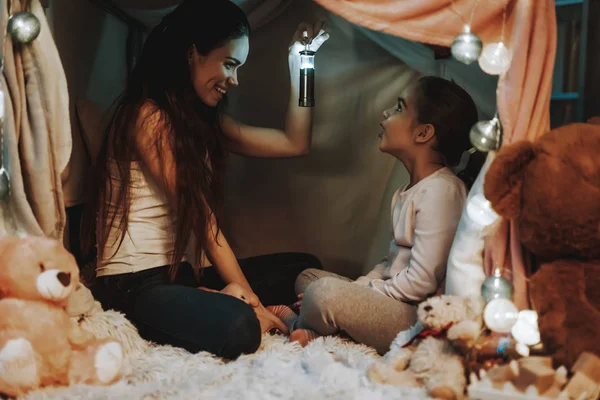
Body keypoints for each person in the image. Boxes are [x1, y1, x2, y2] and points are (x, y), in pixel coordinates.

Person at [82, 0, 329, 360]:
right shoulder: (147, 117)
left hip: (182, 274)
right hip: (136, 282)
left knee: (305, 268)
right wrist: (254, 304)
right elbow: (202, 219)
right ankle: (229, 305)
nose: (235, 79)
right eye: (230, 64)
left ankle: (214, 297)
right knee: (240, 327)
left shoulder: (203, 123)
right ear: (192, 54)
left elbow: (295, 142)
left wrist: (303, 62)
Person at [268, 76, 483, 355]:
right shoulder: (410, 190)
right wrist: (360, 287)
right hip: (393, 299)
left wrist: (363, 292)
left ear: (423, 133)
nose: (386, 113)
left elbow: (421, 283)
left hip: (416, 318)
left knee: (323, 294)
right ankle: (330, 329)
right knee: (309, 277)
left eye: (398, 108)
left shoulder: (443, 192)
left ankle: (300, 324)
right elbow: (389, 263)